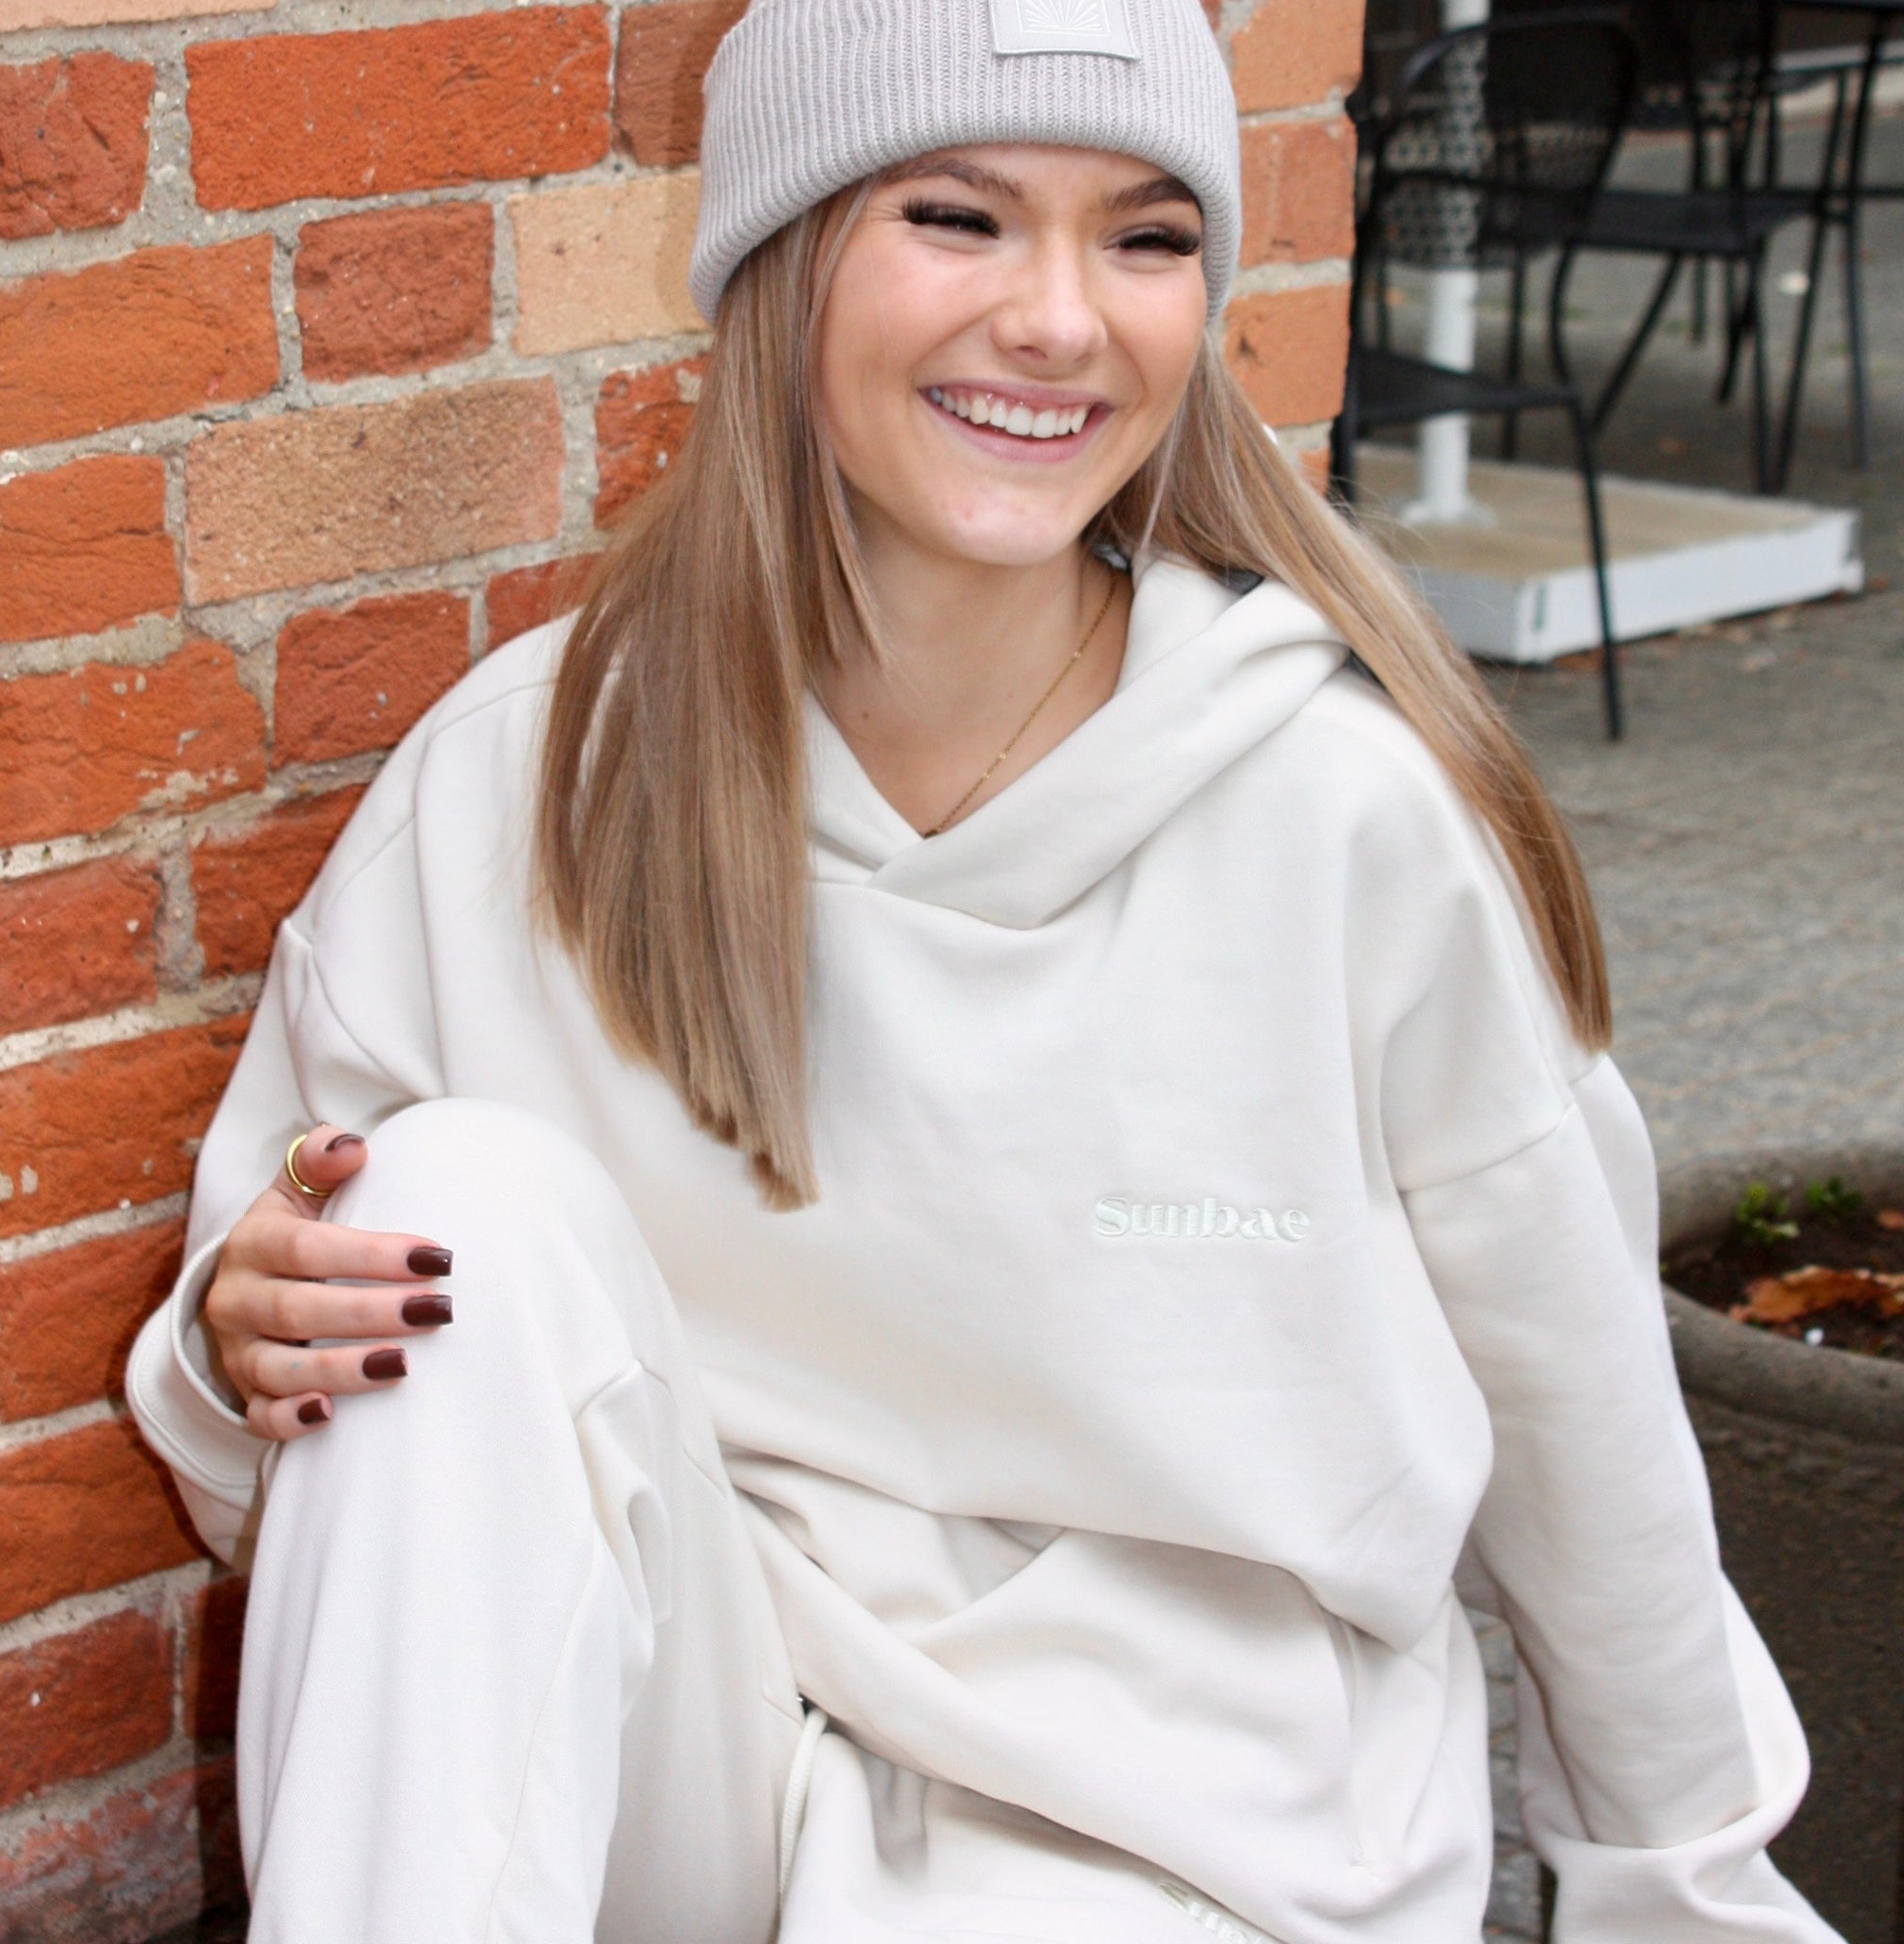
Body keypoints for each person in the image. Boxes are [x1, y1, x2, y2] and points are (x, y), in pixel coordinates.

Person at [125, 3, 1839, 1940]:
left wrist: (1688, 1896)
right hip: (698, 1785)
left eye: (1145, 235)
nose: (1058, 318)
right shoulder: (523, 783)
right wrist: (227, 1340)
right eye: (959, 216)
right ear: (781, 262)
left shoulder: (1350, 824)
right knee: (441, 1216)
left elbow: (1585, 1437)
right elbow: (275, 1447)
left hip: (1179, 1842)